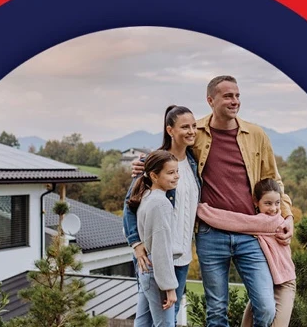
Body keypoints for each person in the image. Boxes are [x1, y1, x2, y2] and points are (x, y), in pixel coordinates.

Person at [132, 75, 295, 327]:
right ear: (210, 100)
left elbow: (273, 179)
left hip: (249, 233)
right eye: (228, 96)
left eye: (237, 95)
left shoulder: (256, 135)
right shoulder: (195, 131)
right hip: (210, 234)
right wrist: (143, 163)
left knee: (265, 304)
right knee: (216, 310)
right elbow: (170, 153)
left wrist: (288, 216)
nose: (235, 101)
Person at [122, 105, 200, 326]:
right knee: (166, 319)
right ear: (170, 130)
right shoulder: (153, 165)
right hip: (157, 257)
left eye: (194, 126)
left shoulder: (194, 163)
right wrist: (136, 244)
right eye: (185, 127)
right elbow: (130, 207)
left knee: (147, 319)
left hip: (182, 255)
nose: (192, 131)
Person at [196, 179, 296, 327]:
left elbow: (234, 221)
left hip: (284, 282)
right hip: (270, 278)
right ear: (256, 202)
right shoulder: (260, 220)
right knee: (258, 310)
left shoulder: (273, 222)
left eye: (277, 203)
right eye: (268, 203)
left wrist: (202, 210)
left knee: (269, 314)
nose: (274, 209)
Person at [127, 150, 182, 327]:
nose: (176, 177)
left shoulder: (147, 196)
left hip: (147, 270)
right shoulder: (161, 203)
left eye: (177, 171)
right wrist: (169, 288)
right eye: (170, 172)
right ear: (154, 175)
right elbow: (161, 248)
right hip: (156, 271)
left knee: (142, 322)